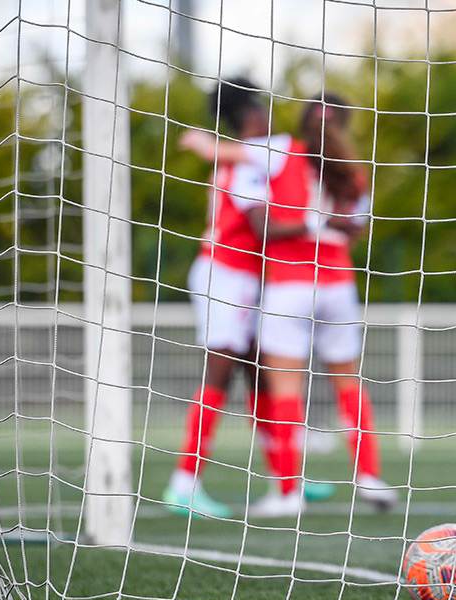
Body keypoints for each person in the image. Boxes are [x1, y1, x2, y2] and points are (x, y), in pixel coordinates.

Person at [165, 78, 314, 519]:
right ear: (250, 114)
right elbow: (260, 225)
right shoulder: (250, 163)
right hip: (226, 276)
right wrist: (313, 224)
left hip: (239, 278)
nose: (268, 114)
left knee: (258, 377)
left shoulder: (242, 160)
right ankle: (183, 483)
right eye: (261, 108)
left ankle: (287, 478)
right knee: (221, 371)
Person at [254, 93, 397, 516]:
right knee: (349, 385)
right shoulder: (354, 172)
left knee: (284, 391)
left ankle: (287, 493)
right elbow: (357, 230)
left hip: (289, 285)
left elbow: (265, 224)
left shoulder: (280, 153)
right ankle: (369, 476)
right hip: (336, 284)